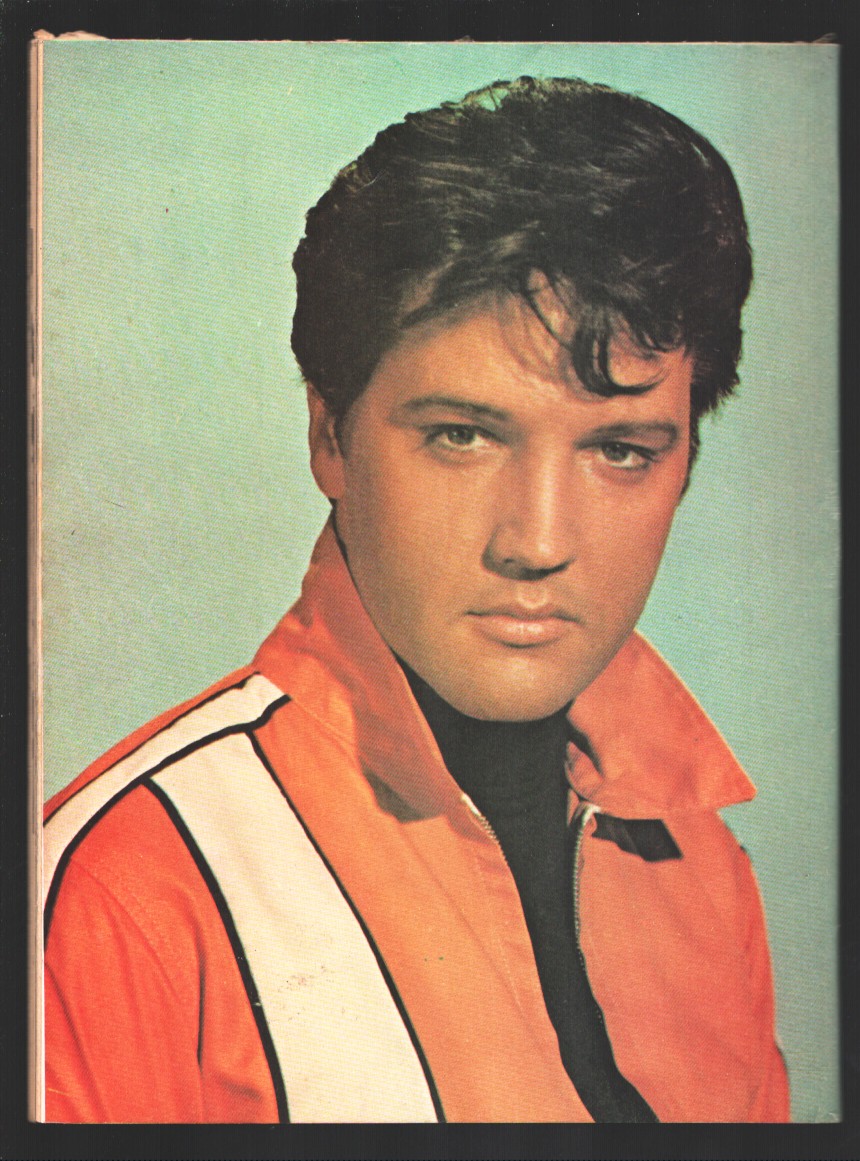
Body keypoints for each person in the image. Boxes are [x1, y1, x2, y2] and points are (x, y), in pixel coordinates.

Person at [42, 76, 789, 1123]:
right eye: (461, 436)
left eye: (619, 450)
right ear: (329, 436)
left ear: (684, 464)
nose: (536, 543)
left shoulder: (699, 861)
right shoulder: (129, 883)